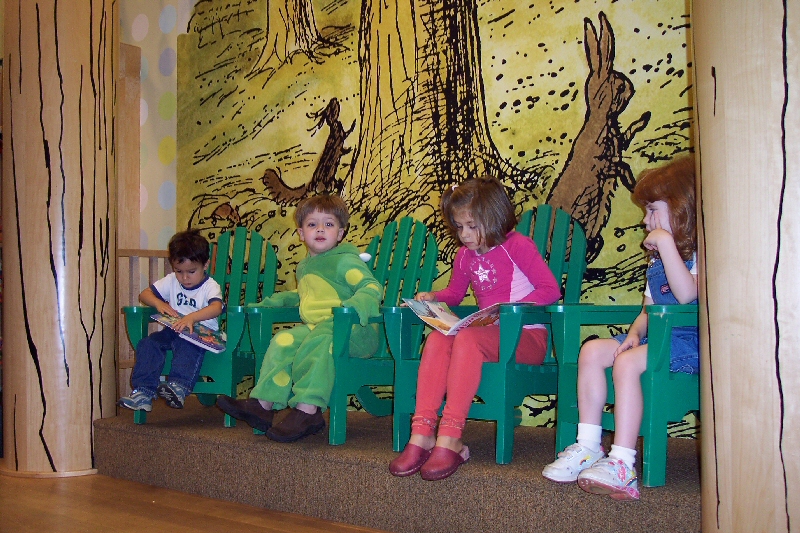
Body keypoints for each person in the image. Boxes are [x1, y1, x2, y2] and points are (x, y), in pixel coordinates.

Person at [541, 156, 699, 501]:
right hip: (655, 338)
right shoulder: (657, 260)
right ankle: (588, 445)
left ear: (681, 207)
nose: (645, 220)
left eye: (652, 210)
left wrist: (666, 245)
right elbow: (647, 311)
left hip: (689, 343)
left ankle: (623, 463)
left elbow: (687, 294)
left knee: (627, 363)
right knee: (592, 350)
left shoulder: (700, 254)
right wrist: (635, 334)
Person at [389, 176, 562, 481]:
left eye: (472, 226)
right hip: (488, 337)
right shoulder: (465, 256)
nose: (464, 235)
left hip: (526, 338)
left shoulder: (517, 246)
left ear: (494, 217)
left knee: (468, 338)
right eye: (459, 227)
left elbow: (551, 289)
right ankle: (422, 433)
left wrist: (508, 309)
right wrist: (433, 298)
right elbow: (455, 294)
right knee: (438, 339)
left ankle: (451, 437)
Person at [216, 194, 383, 442]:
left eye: (328, 224)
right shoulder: (305, 266)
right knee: (284, 340)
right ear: (301, 233)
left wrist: (354, 306)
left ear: (340, 233)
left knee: (321, 338)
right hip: (320, 328)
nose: (320, 229)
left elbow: (371, 287)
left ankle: (308, 410)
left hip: (355, 330)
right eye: (312, 224)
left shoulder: (344, 261)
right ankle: (263, 404)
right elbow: (304, 295)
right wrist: (275, 301)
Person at [118, 229, 224, 412]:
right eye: (179, 271)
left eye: (191, 271)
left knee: (186, 345)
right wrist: (159, 303)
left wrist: (192, 317)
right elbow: (144, 294)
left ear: (205, 264)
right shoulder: (172, 281)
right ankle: (143, 393)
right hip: (173, 330)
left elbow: (216, 307)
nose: (184, 277)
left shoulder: (210, 286)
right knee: (148, 344)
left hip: (200, 334)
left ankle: (179, 386)